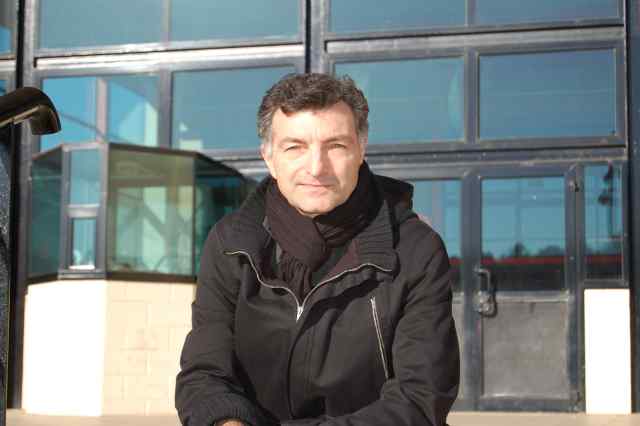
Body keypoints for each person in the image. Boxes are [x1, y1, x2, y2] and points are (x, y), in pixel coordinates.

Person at [175, 73, 459, 426]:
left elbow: (420, 399)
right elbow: (204, 374)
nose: (316, 167)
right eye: (295, 147)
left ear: (361, 150)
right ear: (269, 158)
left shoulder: (415, 251)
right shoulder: (230, 244)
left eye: (335, 145)